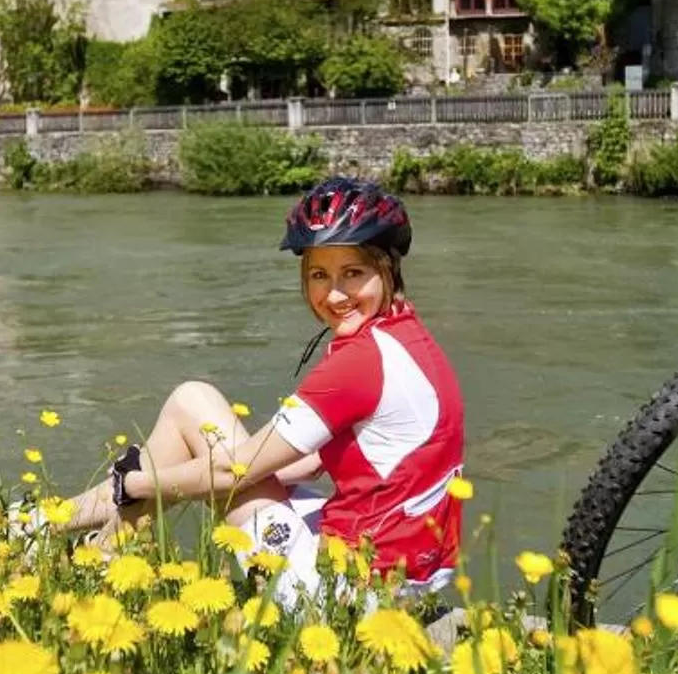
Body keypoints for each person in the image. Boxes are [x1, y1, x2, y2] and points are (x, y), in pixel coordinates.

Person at [59, 176, 465, 602]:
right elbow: (307, 463)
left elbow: (231, 473)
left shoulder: (361, 362)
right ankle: (53, 530)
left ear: (387, 270)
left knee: (192, 405)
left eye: (354, 273)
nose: (335, 294)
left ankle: (88, 556)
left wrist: (138, 483)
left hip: (346, 592)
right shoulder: (405, 337)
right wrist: (180, 476)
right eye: (319, 275)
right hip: (413, 578)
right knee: (203, 435)